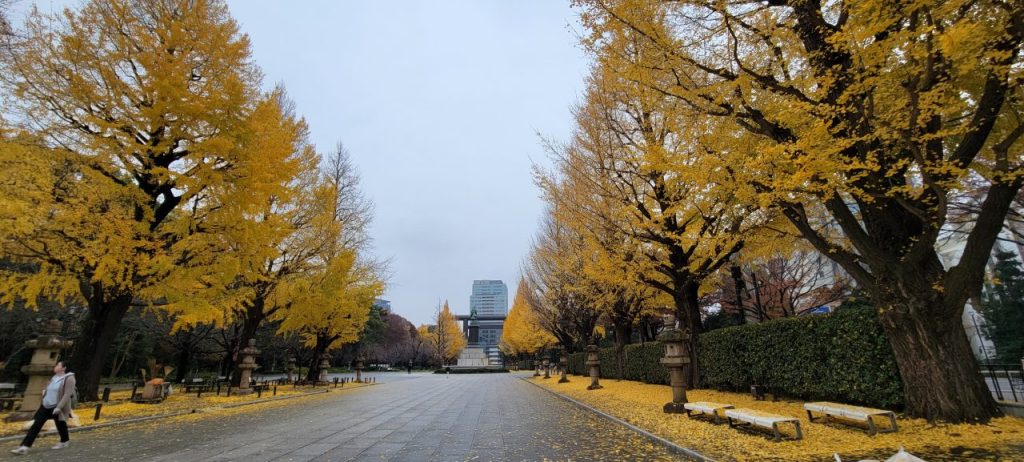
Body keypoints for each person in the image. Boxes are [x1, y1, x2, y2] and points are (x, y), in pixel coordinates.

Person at [10, 361, 75, 455]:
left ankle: (64, 441)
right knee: (36, 425)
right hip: (45, 406)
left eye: (58, 365)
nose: (55, 366)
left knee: (61, 425)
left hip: (57, 407)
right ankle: (24, 446)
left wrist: (59, 407)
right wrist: (43, 399)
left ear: (63, 368)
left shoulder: (69, 378)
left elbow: (67, 394)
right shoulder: (54, 377)